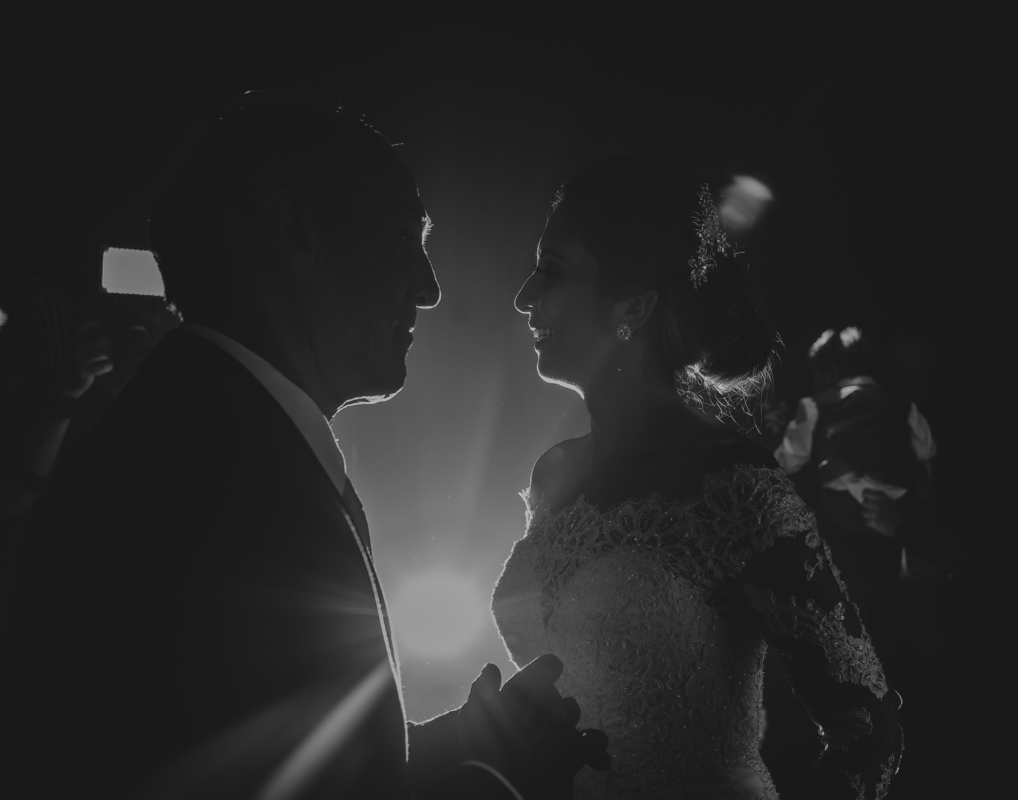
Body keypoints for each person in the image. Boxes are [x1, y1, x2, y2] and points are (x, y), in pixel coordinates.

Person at [1, 101, 605, 799]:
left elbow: (298, 761)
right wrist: (502, 780)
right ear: (297, 236)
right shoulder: (207, 484)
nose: (429, 287)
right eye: (402, 236)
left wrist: (471, 739)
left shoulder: (209, 428)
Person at [492, 156, 903, 799]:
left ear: (634, 306)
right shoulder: (555, 474)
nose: (524, 296)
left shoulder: (735, 489)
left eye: (553, 269)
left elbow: (870, 732)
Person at [773, 326, 937, 664]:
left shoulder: (813, 407)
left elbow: (785, 463)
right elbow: (927, 459)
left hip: (844, 530)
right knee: (912, 621)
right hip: (897, 528)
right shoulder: (904, 406)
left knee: (852, 622)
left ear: (830, 372)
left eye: (816, 374)